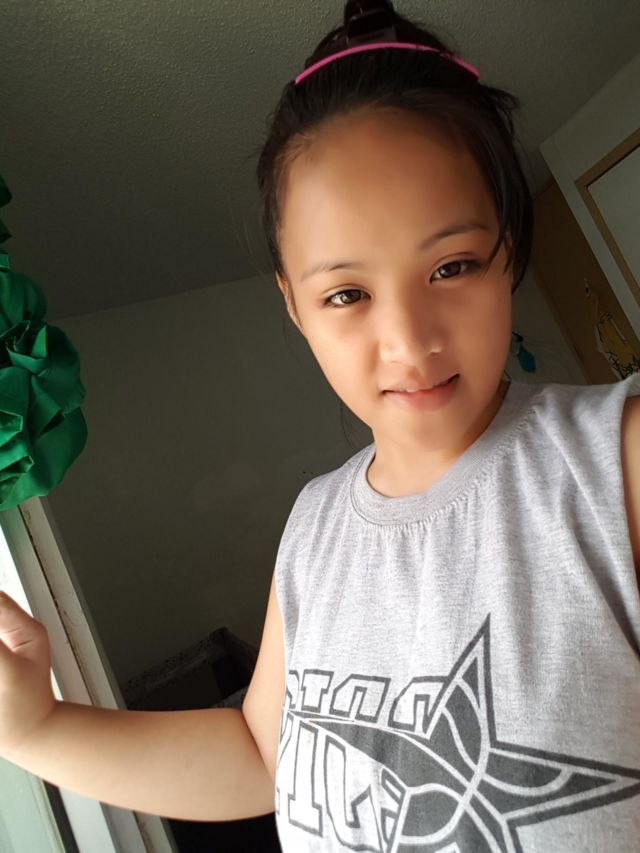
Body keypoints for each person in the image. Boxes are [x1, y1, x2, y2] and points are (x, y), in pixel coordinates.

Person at [1, 1, 639, 850]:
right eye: (346, 293)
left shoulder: (613, 464)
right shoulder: (314, 528)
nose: (408, 341)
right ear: (295, 306)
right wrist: (35, 728)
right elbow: (261, 753)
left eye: (453, 266)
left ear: (508, 253)